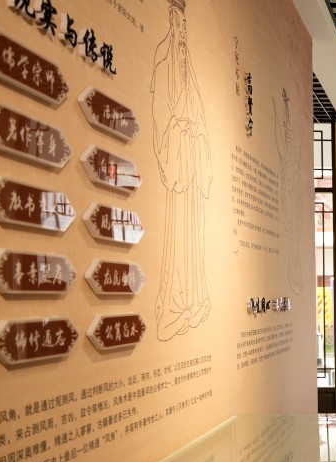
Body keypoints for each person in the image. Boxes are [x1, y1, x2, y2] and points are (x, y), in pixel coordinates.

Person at [151, 0, 213, 341]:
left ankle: (193, 298)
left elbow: (200, 114)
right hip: (177, 153)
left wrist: (196, 135)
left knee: (195, 234)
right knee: (178, 235)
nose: (183, 30)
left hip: (190, 156)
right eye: (178, 21)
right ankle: (175, 303)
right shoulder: (164, 57)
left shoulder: (188, 62)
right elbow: (161, 112)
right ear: (171, 20)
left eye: (185, 24)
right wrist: (178, 129)